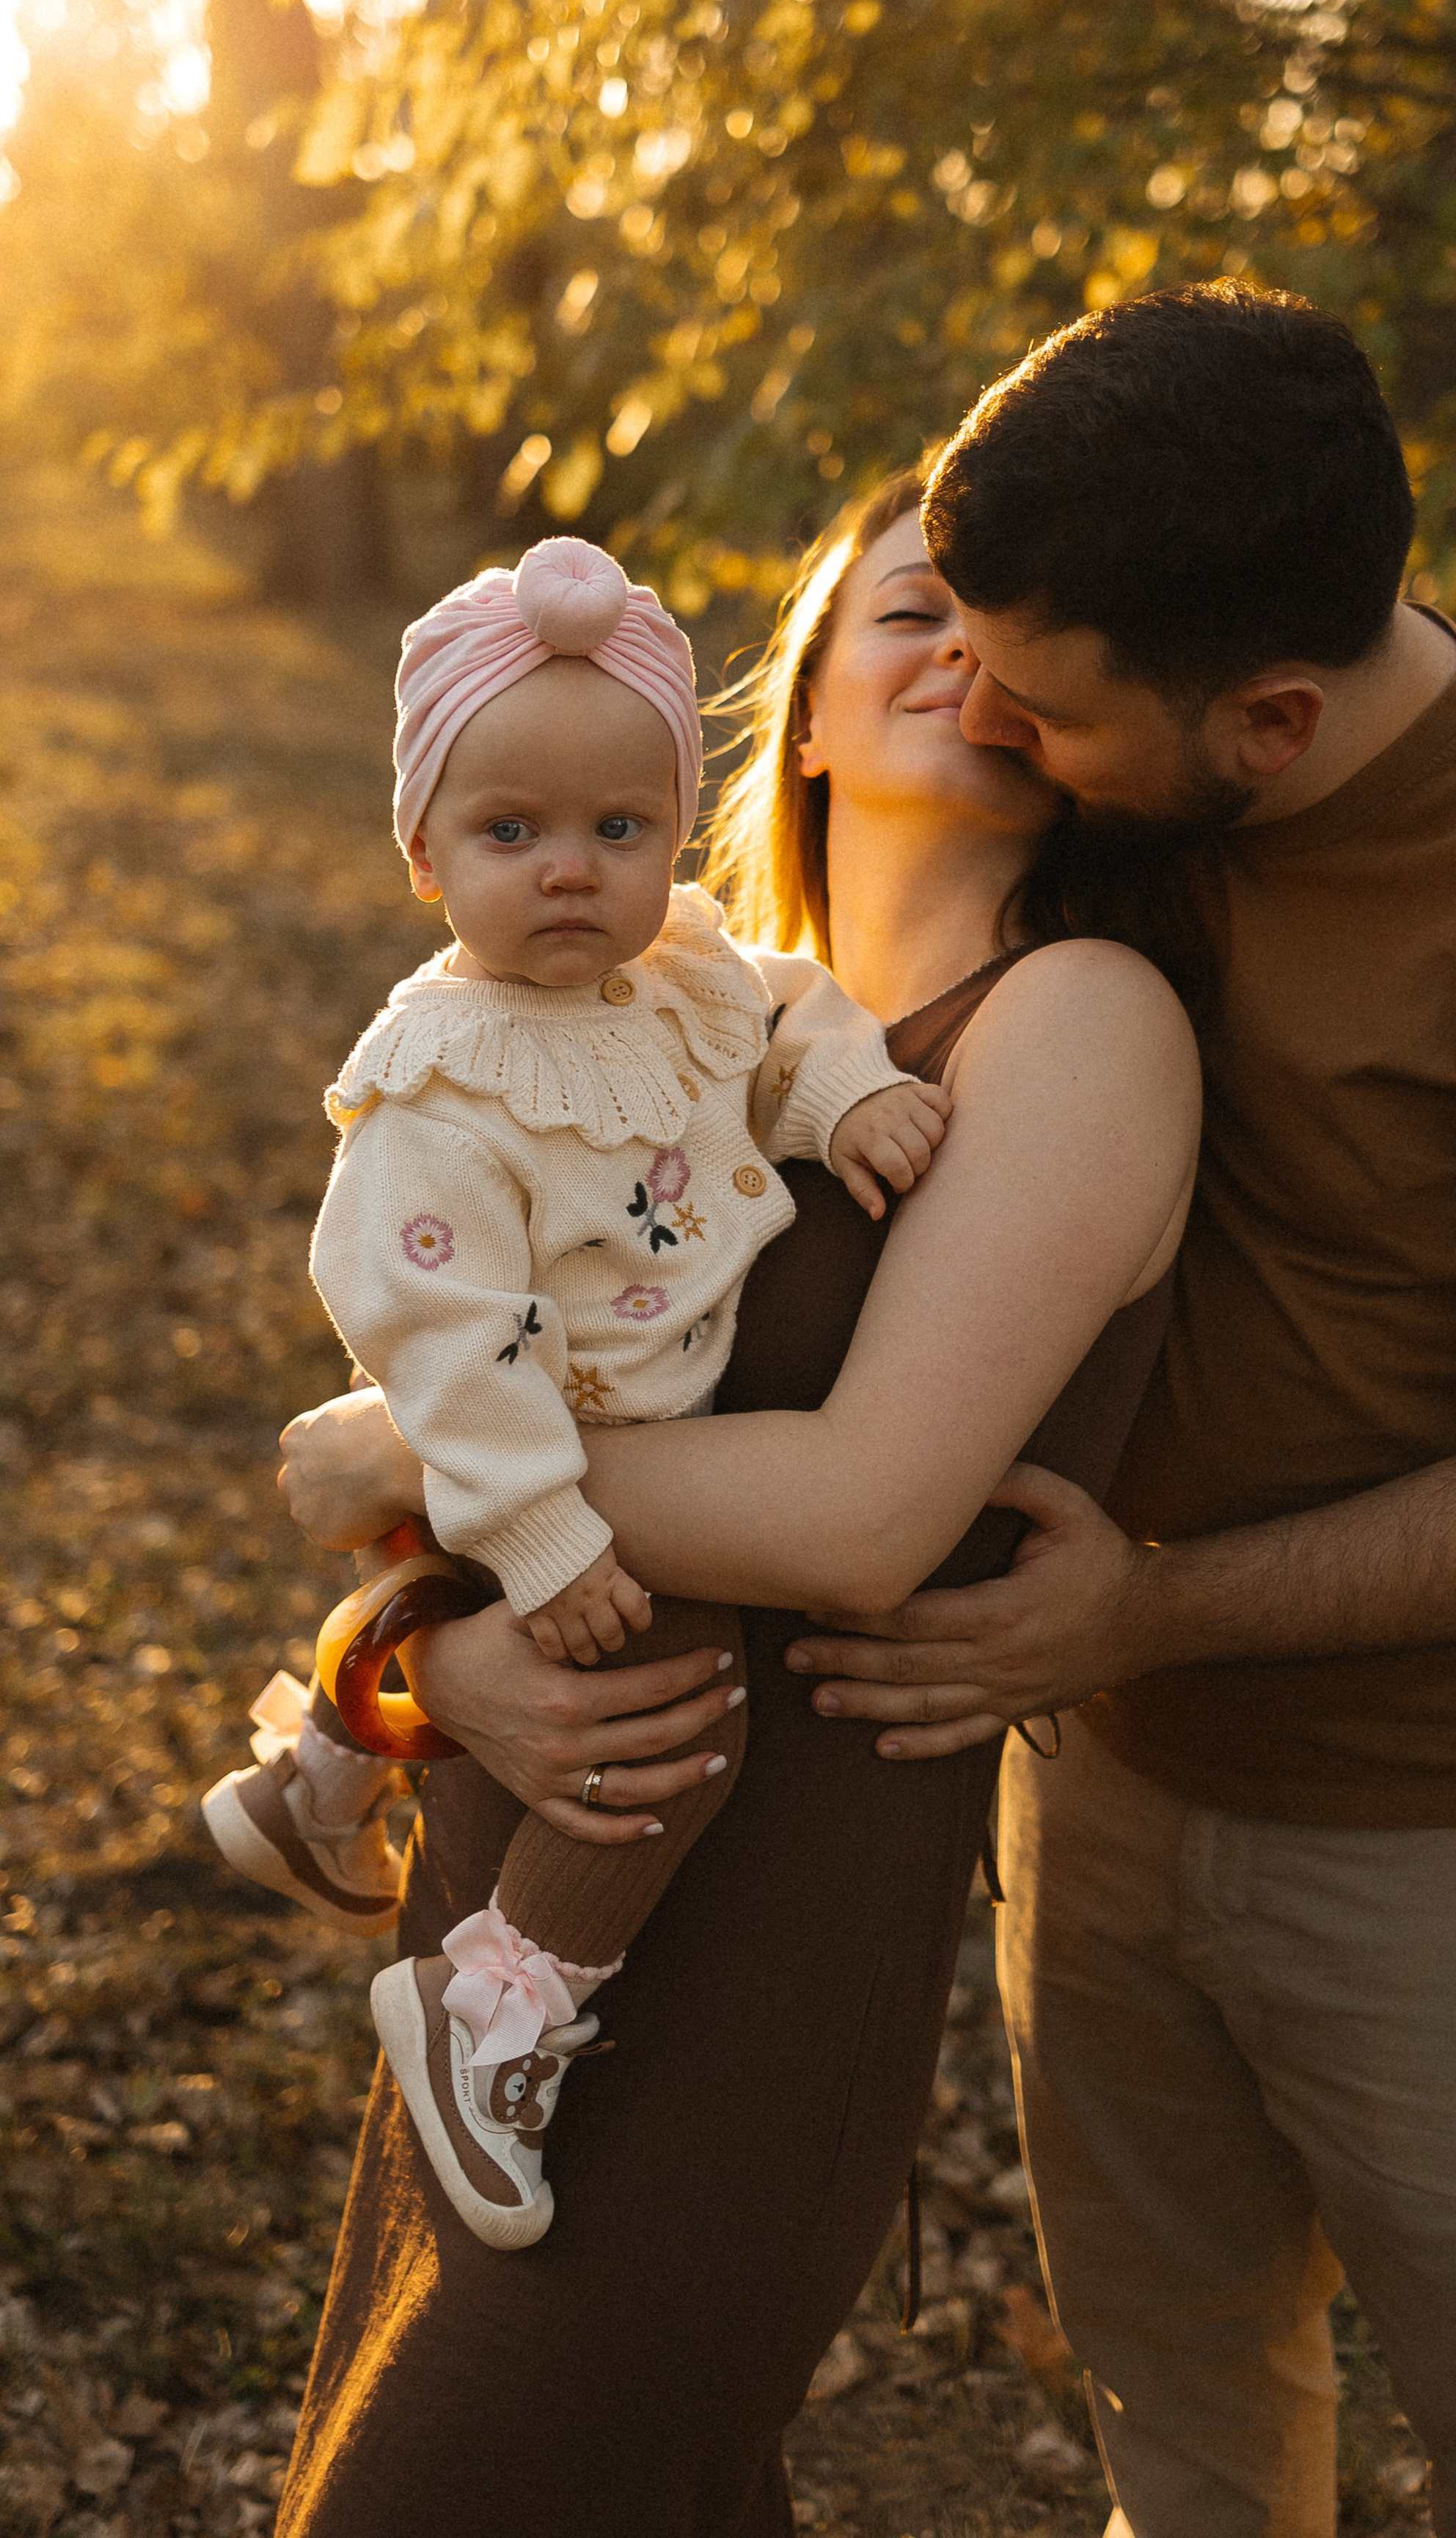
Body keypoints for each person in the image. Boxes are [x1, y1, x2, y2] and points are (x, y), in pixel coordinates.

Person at [780, 285, 1456, 2537]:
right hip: (1107, 1771)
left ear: (1267, 716)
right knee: (1180, 2418)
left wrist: (1146, 1608)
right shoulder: (1135, 744)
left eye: (1042, 707)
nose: (994, 724)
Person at [271, 472, 1201, 2536]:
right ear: (800, 710)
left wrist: (411, 1460)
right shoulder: (660, 1019)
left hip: (769, 1921)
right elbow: (470, 1344)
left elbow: (857, 1513)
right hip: (526, 1920)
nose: (964, 651)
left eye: (1008, 618)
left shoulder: (1073, 1018)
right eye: (908, 613)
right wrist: (409, 1647)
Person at [207, 531, 951, 2251]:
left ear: (673, 836)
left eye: (619, 829)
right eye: (509, 831)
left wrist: (841, 1099)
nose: (569, 871)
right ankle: (495, 2010)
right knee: (670, 1720)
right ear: (421, 850)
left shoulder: (686, 969)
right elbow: (438, 1334)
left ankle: (316, 1776)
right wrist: (538, 1524)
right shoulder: (439, 1078)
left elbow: (788, 1011)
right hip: (543, 1440)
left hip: (630, 1424)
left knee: (513, 1604)